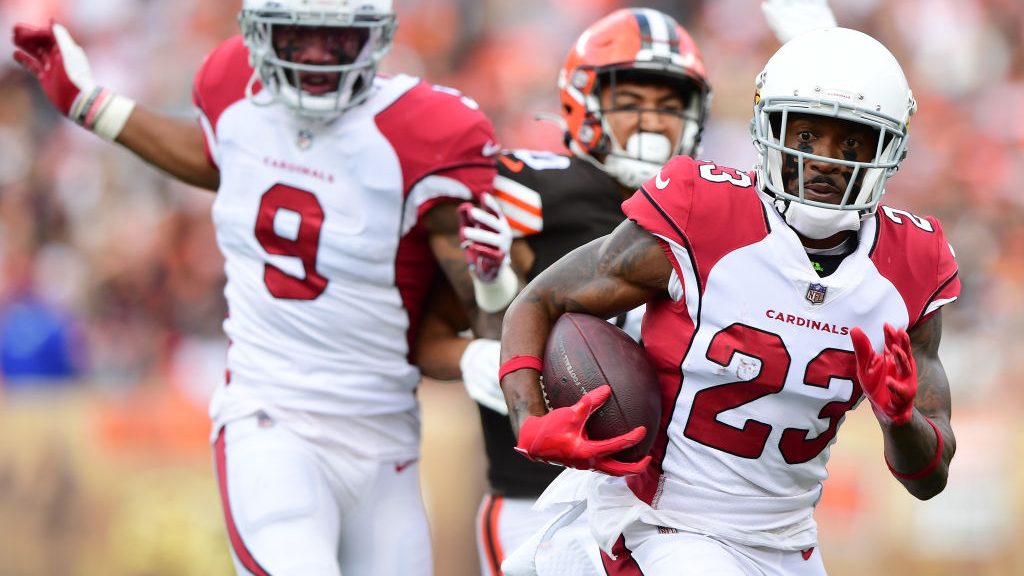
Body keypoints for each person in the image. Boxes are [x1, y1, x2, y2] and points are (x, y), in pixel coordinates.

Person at [11, 0, 503, 574]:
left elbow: (483, 322)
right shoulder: (233, 90)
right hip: (273, 419)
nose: (318, 57)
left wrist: (492, 281)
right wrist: (89, 103)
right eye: (299, 34)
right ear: (261, 33)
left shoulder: (429, 134)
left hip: (387, 439)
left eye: (338, 38)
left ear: (378, 36)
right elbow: (218, 155)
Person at [497, 27, 958, 576]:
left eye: (853, 142)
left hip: (788, 539)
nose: (828, 160)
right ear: (769, 129)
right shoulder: (706, 213)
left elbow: (928, 481)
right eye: (806, 135)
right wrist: (529, 419)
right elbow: (539, 299)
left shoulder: (914, 263)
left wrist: (900, 419)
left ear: (890, 150)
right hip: (664, 523)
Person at [414, 4, 840, 574]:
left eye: (670, 106)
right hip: (535, 496)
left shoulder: (705, 209)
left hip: (665, 510)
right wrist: (488, 362)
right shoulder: (527, 191)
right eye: (630, 101)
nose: (652, 121)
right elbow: (430, 340)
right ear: (581, 101)